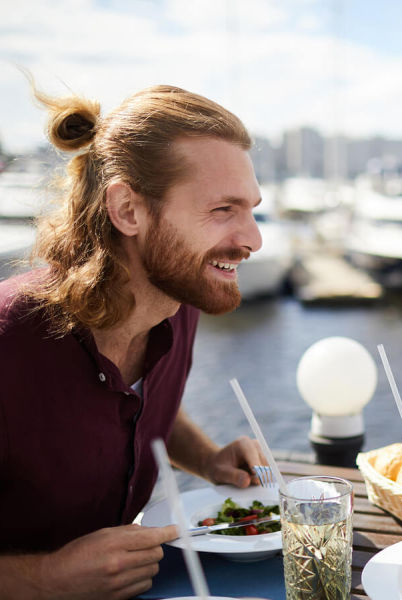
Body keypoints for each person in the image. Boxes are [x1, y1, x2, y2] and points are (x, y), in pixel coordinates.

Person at [0, 83, 270, 598]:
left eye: (252, 209)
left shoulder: (179, 297)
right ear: (128, 210)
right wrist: (48, 578)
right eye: (223, 210)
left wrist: (208, 458)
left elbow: (136, 406)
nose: (253, 238)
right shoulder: (9, 345)